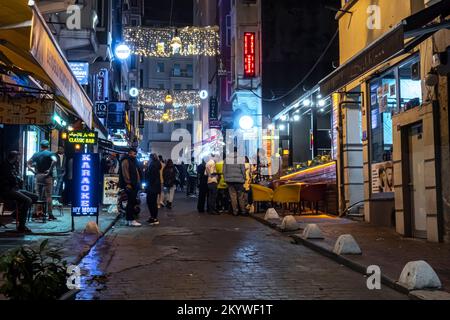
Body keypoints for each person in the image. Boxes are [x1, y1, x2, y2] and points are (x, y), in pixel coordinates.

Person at [0, 151, 38, 233]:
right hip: (7, 190)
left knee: (35, 197)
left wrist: (17, 178)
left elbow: (16, 178)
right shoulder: (5, 166)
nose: (19, 159)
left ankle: (16, 214)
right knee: (28, 200)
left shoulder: (12, 165)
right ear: (14, 157)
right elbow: (11, 179)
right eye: (18, 157)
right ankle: (21, 226)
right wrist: (17, 179)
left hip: (15, 189)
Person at [27, 140, 58, 221]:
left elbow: (28, 163)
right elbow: (55, 160)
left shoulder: (36, 154)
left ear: (40, 146)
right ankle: (50, 214)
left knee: (37, 195)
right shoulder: (50, 153)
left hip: (38, 175)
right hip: (47, 176)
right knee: (48, 195)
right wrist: (49, 170)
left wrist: (32, 171)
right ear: (47, 146)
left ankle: (35, 213)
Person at [119, 148, 142, 227]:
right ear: (129, 153)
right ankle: (131, 220)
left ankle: (128, 219)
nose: (135, 155)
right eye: (134, 153)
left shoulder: (132, 161)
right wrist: (129, 183)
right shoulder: (126, 161)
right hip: (130, 185)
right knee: (131, 203)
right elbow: (125, 174)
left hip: (134, 185)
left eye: (135, 154)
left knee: (131, 203)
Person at [223, 149, 247, 216]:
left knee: (233, 196)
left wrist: (225, 179)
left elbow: (224, 171)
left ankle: (235, 211)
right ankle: (243, 211)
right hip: (239, 181)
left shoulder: (226, 159)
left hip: (230, 181)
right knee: (240, 196)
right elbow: (243, 170)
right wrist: (244, 178)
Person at [146, 153, 161, 225]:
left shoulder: (153, 165)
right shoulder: (155, 164)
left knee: (151, 202)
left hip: (152, 187)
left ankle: (154, 218)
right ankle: (153, 217)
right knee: (152, 202)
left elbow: (151, 177)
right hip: (154, 187)